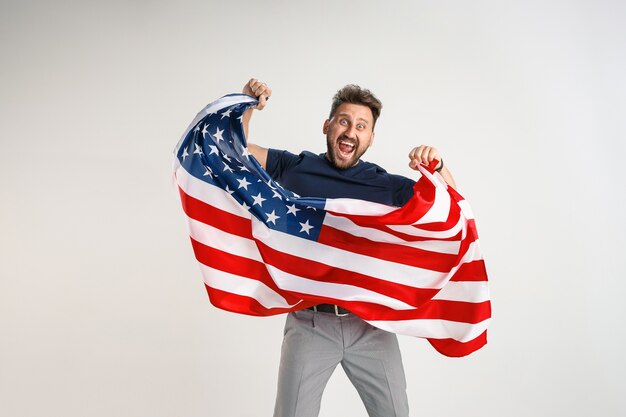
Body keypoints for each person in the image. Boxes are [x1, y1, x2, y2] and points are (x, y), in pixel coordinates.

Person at [240, 78, 457, 417]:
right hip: (310, 322)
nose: (350, 131)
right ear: (327, 125)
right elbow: (235, 153)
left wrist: (439, 168)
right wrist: (246, 104)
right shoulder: (295, 167)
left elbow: (449, 213)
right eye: (343, 121)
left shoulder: (385, 185)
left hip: (370, 324)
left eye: (361, 125)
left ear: (370, 137)